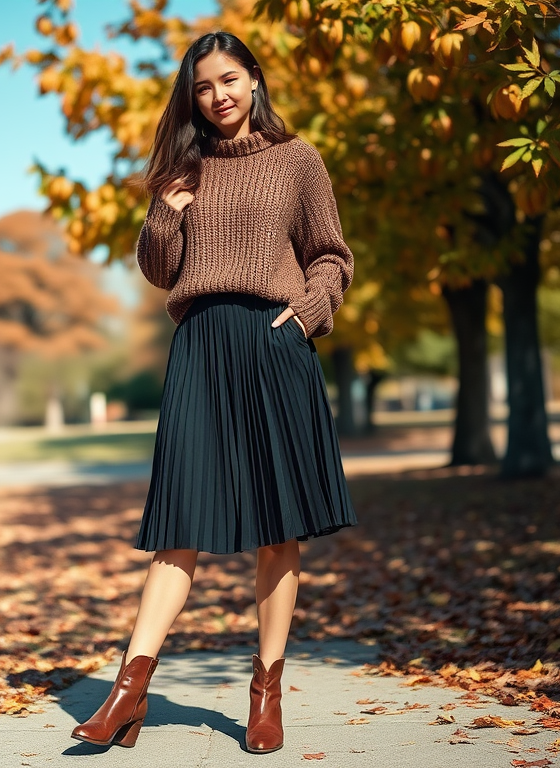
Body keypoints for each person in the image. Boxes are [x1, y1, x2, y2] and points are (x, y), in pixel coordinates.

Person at [70, 31, 357, 754]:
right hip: (199, 346)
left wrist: (308, 314)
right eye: (203, 87)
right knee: (179, 525)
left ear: (254, 81)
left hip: (273, 341)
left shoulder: (297, 161)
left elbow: (330, 253)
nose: (218, 95)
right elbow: (161, 269)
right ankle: (127, 691)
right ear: (191, 97)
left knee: (276, 526)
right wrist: (164, 209)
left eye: (230, 79)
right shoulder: (182, 168)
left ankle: (266, 693)